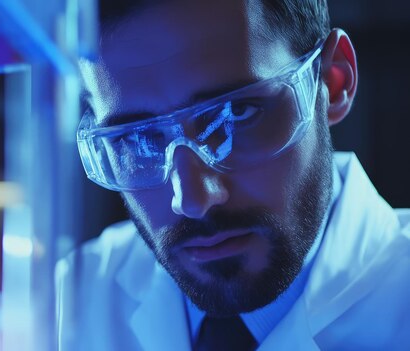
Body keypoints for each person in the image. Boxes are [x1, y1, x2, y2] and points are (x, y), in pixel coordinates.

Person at [56, 0, 410, 349]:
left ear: (333, 81)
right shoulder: (68, 306)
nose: (193, 199)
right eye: (137, 139)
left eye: (236, 115)